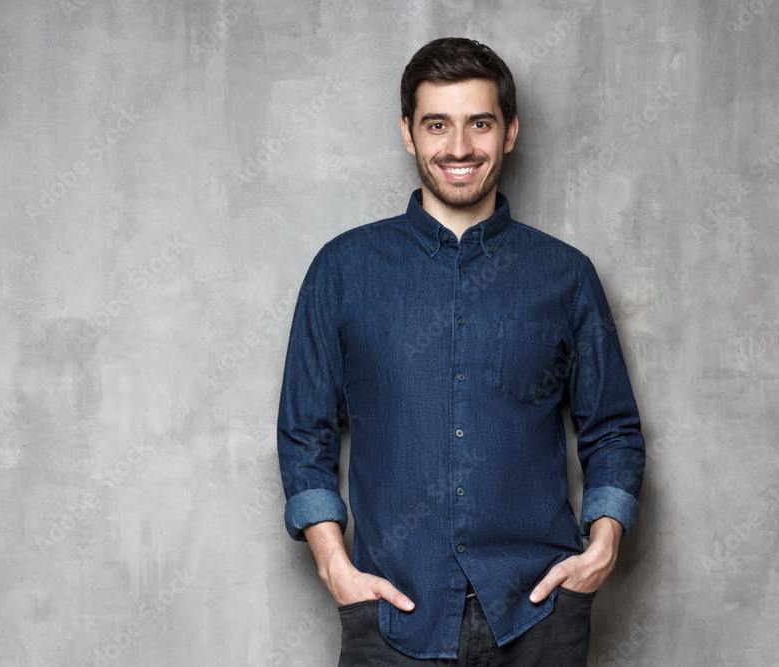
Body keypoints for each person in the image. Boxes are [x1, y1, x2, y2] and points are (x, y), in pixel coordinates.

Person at [276, 37, 645, 665]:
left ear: (509, 132)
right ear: (408, 133)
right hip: (392, 617)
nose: (458, 147)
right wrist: (335, 566)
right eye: (436, 124)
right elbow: (304, 435)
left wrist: (602, 547)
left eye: (480, 123)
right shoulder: (343, 271)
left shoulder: (566, 275)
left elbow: (611, 430)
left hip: (539, 615)